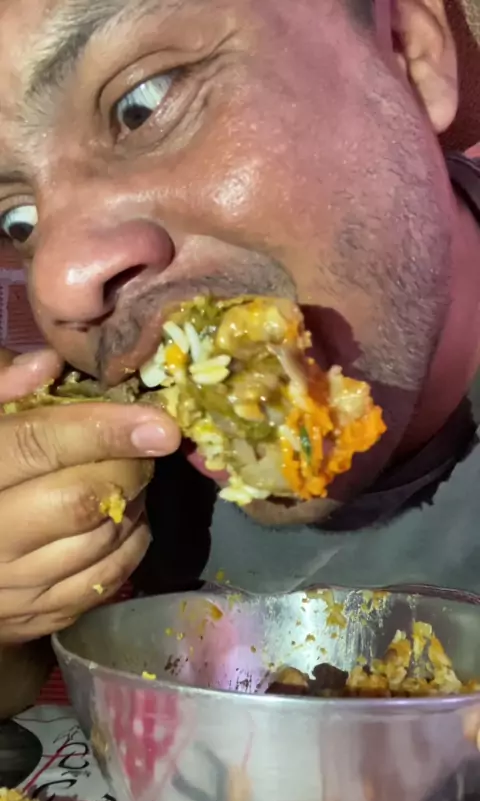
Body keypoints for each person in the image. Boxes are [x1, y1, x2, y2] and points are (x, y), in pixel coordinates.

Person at [0, 0, 480, 722]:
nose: (59, 284)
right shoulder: (111, 453)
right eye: (16, 220)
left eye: (142, 103)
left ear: (412, 54)